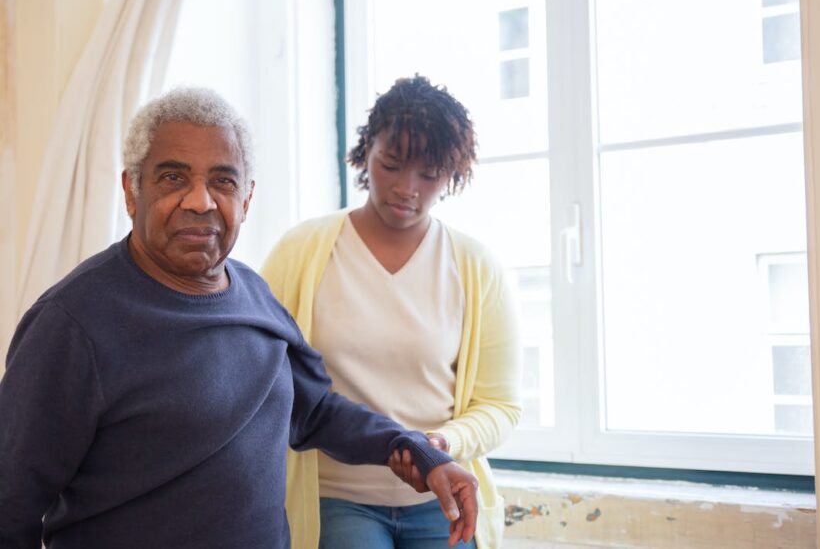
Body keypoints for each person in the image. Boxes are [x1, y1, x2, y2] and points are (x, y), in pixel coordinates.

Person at [0, 87, 479, 549]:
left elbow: (315, 411)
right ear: (131, 190)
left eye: (222, 181)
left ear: (246, 200)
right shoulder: (71, 325)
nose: (200, 201)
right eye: (172, 177)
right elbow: (10, 506)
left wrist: (418, 450)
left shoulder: (254, 295)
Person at [261, 74, 522, 549]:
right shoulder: (300, 253)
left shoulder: (475, 267)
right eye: (392, 165)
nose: (406, 189)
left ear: (454, 173)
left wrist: (442, 444)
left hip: (441, 495)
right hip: (335, 496)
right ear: (366, 152)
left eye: (428, 175)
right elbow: (265, 377)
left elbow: (500, 405)